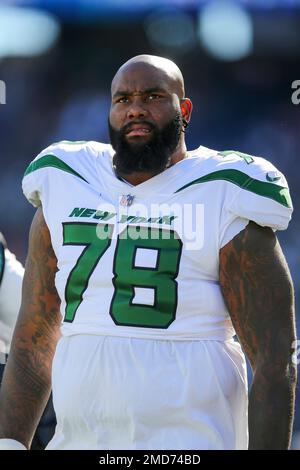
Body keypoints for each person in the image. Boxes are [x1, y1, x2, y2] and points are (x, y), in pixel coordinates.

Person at [0, 55, 296, 450]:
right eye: (122, 99)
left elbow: (276, 363)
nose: (136, 108)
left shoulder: (225, 192)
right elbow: (33, 339)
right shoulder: (68, 179)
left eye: (153, 96)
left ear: (184, 110)